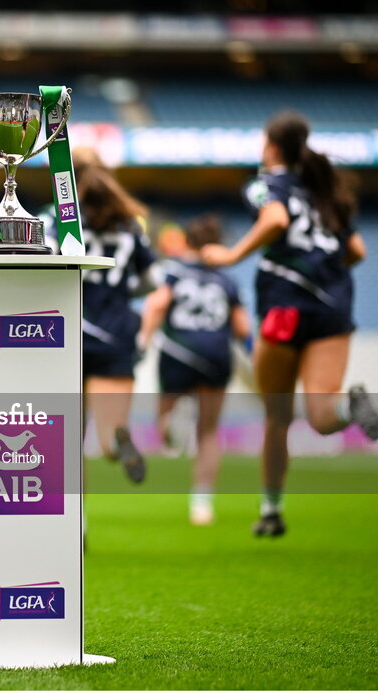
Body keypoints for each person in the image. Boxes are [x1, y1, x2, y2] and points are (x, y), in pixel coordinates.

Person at [200, 110, 378, 538]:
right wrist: (326, 276)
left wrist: (229, 256)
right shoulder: (324, 192)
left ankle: (271, 510)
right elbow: (357, 249)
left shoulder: (266, 184)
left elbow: (276, 219)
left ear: (272, 147)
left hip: (285, 307)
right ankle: (348, 406)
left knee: (277, 416)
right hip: (332, 310)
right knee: (322, 415)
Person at [52, 151, 158, 483]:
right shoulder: (129, 227)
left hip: (68, 336)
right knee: (107, 440)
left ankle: (76, 529)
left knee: (69, 443)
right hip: (116, 334)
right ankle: (117, 442)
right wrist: (126, 290)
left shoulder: (56, 220)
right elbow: (154, 281)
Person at [140, 216, 251, 525]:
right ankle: (202, 504)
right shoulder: (228, 281)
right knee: (209, 432)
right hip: (216, 354)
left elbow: (156, 305)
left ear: (187, 241)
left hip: (177, 353)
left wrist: (144, 340)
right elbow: (243, 328)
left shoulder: (174, 272)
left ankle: (171, 428)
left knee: (162, 422)